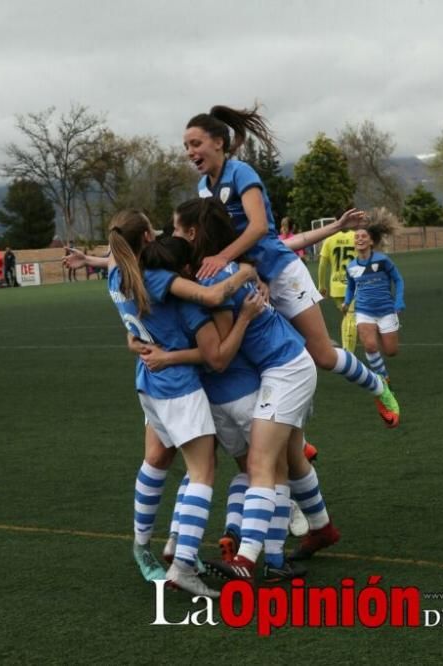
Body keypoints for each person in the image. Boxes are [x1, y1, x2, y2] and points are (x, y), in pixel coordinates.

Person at [146, 200, 342, 579]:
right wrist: (248, 273)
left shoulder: (210, 278)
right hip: (275, 369)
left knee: (260, 465)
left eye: (174, 228)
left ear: (191, 234)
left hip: (287, 369)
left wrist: (167, 357)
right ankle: (289, 548)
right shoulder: (216, 271)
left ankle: (248, 560)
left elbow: (216, 355)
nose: (171, 235)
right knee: (279, 462)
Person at [183, 104, 400, 427]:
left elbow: (258, 228)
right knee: (257, 359)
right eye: (186, 146)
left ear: (218, 142)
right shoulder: (203, 189)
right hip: (249, 279)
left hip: (282, 274)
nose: (190, 152)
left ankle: (379, 386)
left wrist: (223, 258)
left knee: (322, 356)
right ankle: (293, 443)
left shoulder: (242, 173)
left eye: (195, 144)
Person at [102, 209, 259, 598]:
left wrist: (136, 344)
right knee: (203, 471)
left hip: (149, 382)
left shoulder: (115, 273)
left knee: (156, 460)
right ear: (147, 240)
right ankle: (183, 565)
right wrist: (245, 270)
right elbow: (212, 296)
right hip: (177, 388)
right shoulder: (158, 280)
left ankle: (147, 547)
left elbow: (131, 333)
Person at [342, 211, 405, 386]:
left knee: (391, 351)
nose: (359, 239)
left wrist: (399, 301)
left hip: (386, 310)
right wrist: (347, 302)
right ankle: (383, 378)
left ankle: (380, 330)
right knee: (369, 346)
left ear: (371, 241)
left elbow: (398, 280)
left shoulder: (383, 261)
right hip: (363, 311)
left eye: (363, 236)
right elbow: (351, 286)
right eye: (356, 237)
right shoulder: (352, 266)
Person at [318, 225, 358, 352]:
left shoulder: (329, 240)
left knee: (346, 316)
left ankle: (346, 347)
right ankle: (349, 352)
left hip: (336, 285)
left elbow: (322, 264)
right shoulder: (356, 236)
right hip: (354, 284)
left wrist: (321, 284)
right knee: (351, 317)